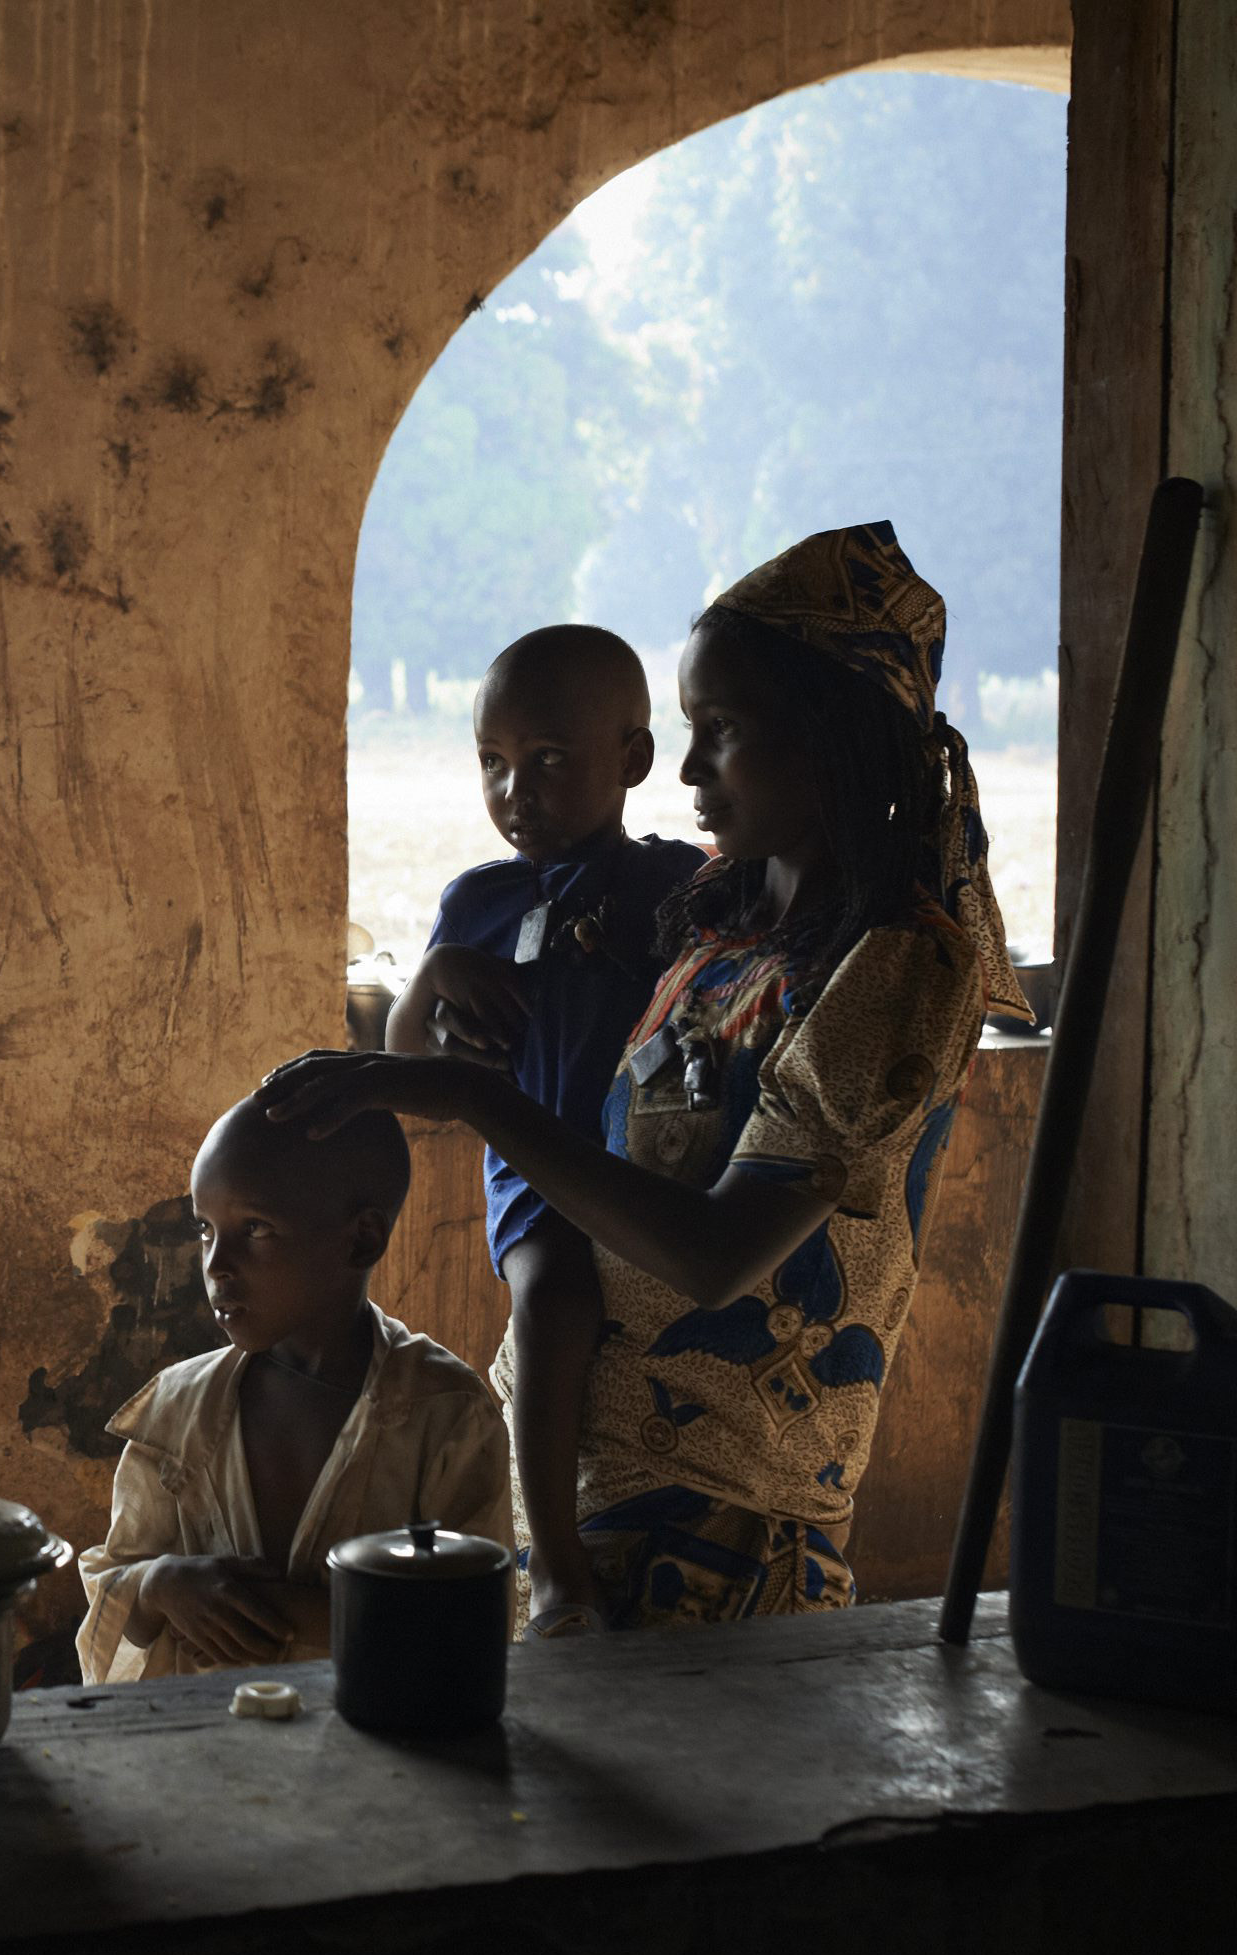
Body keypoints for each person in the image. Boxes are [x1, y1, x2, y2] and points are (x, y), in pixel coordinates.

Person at [261, 523, 1029, 1628]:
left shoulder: (892, 964)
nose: (687, 768)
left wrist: (477, 1099)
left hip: (721, 1526)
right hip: (580, 1489)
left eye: (722, 731)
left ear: (830, 737)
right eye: (689, 730)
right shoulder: (718, 921)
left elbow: (716, 1256)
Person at [383, 625, 703, 1636]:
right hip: (533, 1168)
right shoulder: (478, 901)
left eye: (550, 760)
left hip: (652, 1160)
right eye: (493, 761)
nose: (513, 790)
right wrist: (431, 982)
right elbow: (407, 1066)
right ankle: (561, 1568)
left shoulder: (677, 885)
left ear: (633, 759)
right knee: (554, 1292)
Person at [75, 1094, 511, 1682]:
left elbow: (471, 1627)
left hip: (377, 1737)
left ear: (362, 1239)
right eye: (205, 1230)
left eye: (255, 1228)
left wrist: (284, 1612)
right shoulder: (176, 1412)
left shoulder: (444, 1415)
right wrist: (158, 1586)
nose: (216, 1265)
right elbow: (117, 1586)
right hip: (200, 1735)